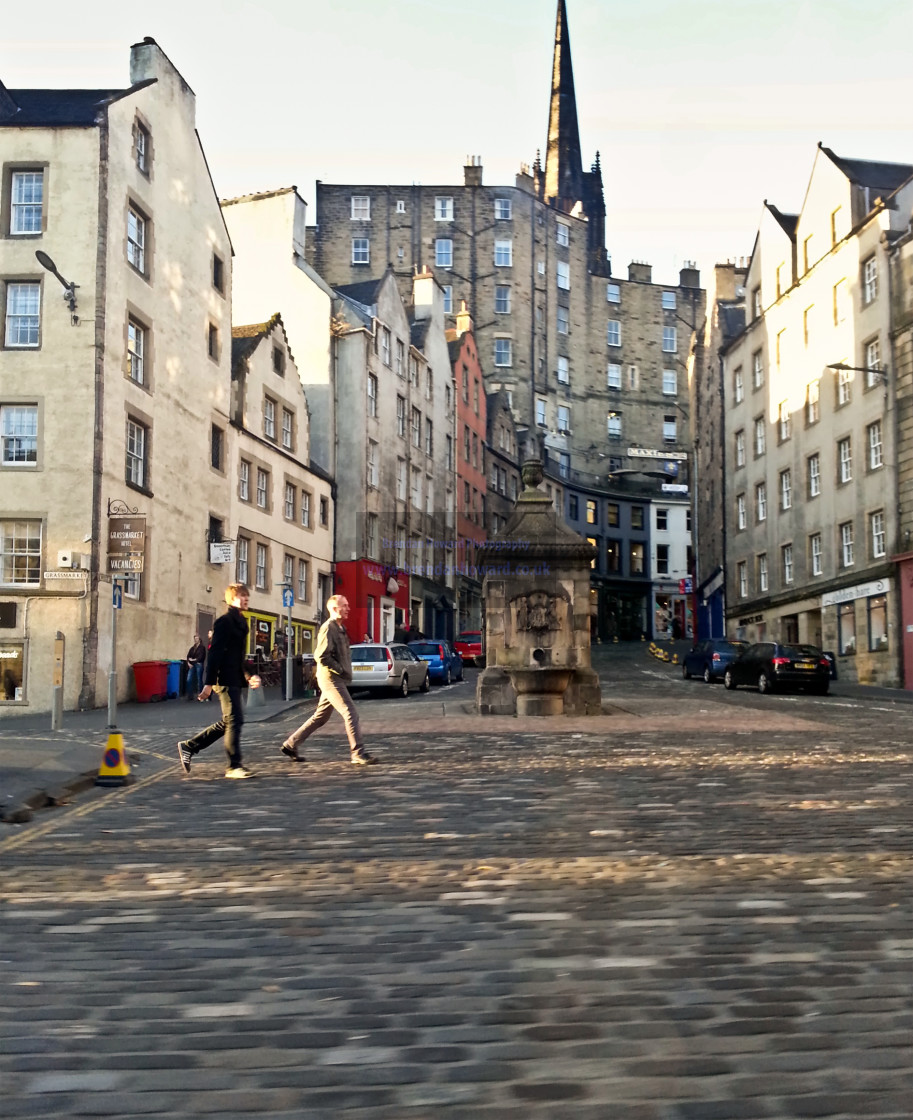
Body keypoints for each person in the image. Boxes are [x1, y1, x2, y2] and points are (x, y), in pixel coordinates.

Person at [281, 594, 376, 765]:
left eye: (348, 605)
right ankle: (358, 753)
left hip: (334, 677)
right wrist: (340, 670)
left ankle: (291, 744)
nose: (348, 608)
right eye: (344, 606)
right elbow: (321, 656)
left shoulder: (340, 628)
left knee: (321, 717)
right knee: (351, 713)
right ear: (334, 608)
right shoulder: (328, 628)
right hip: (331, 678)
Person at [177, 583, 260, 779]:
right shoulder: (224, 622)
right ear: (231, 599)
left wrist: (250, 675)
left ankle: (189, 746)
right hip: (223, 679)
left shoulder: (241, 622)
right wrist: (208, 683)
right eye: (241, 595)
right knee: (234, 721)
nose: (246, 598)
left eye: (247, 595)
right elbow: (214, 653)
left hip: (234, 678)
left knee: (229, 722)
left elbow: (239, 656)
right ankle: (234, 766)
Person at [185, 633, 206, 699]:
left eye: (197, 639)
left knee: (199, 679)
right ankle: (190, 695)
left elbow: (200, 657)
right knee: (189, 679)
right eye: (195, 639)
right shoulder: (192, 648)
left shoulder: (202, 648)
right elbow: (188, 656)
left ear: (199, 639)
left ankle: (201, 695)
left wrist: (193, 660)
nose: (196, 640)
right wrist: (188, 662)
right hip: (192, 664)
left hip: (199, 664)